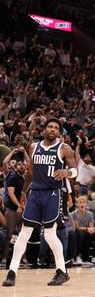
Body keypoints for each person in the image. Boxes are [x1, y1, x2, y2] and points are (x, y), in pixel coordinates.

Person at [2, 118, 77, 287]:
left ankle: (62, 271)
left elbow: (75, 170)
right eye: (50, 126)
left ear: (59, 132)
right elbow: (30, 171)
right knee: (24, 233)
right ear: (44, 129)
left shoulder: (64, 148)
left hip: (52, 194)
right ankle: (12, 272)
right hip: (35, 193)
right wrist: (23, 191)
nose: (52, 129)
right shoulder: (34, 147)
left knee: (50, 234)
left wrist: (66, 172)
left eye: (56, 128)